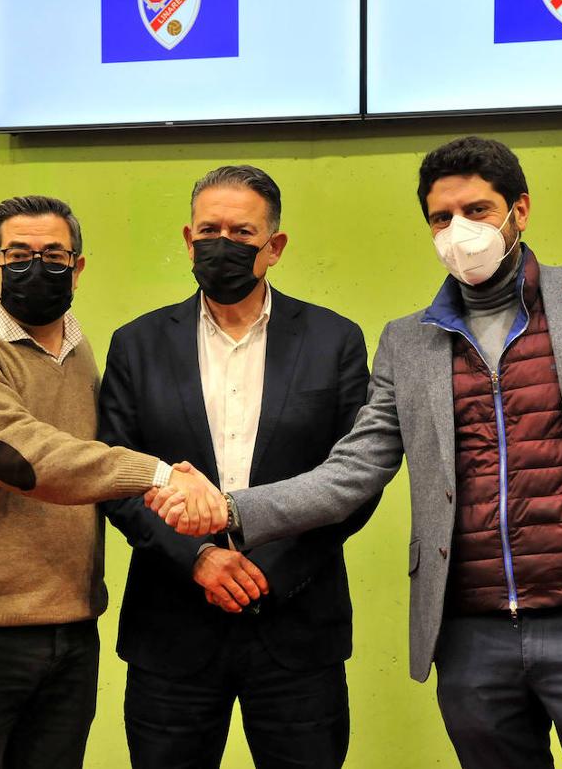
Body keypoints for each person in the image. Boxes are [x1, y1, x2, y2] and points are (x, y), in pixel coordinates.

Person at [150, 137, 562, 769]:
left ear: (519, 211)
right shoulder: (407, 342)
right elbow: (352, 472)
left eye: (477, 210)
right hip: (473, 633)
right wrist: (229, 508)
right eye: (441, 218)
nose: (459, 231)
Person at [0, 195, 223, 769]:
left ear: (77, 266)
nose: (36, 266)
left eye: (54, 254)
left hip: (70, 629)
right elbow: (24, 457)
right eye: (18, 253)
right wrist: (155, 473)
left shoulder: (77, 352)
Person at [98, 165, 379, 769]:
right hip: (171, 631)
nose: (221, 244)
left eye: (242, 232)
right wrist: (197, 559)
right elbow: (115, 479)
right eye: (209, 230)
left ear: (274, 247)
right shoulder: (137, 344)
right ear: (187, 238)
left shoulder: (335, 341)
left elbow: (357, 478)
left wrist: (264, 571)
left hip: (298, 629)